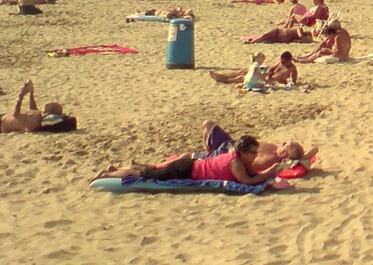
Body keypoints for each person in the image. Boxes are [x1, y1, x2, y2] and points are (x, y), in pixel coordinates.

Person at [91, 135, 281, 185]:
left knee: (149, 171)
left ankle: (116, 168)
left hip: (189, 166)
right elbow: (246, 181)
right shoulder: (236, 162)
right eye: (254, 152)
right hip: (185, 170)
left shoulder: (239, 159)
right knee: (143, 174)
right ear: (244, 152)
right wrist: (269, 172)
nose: (256, 155)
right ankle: (109, 174)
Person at [2, 80, 76, 133]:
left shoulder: (35, 122)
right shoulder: (39, 115)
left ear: (50, 112)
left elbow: (16, 115)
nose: (46, 104)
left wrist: (21, 96)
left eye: (49, 105)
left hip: (3, 123)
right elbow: (33, 110)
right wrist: (31, 93)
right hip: (5, 117)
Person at [210, 51, 298, 85]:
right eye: (281, 61)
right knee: (244, 71)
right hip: (267, 75)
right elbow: (271, 68)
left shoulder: (292, 69)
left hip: (270, 80)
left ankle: (224, 80)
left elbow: (293, 81)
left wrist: (288, 82)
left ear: (290, 60)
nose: (282, 63)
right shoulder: (280, 62)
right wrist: (267, 72)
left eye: (284, 62)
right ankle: (222, 76)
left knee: (244, 77)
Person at [243, 26, 314, 44]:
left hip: (278, 40)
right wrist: (308, 40)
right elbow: (301, 35)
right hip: (278, 32)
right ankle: (252, 42)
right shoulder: (300, 29)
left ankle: (253, 40)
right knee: (263, 36)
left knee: (264, 40)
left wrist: (306, 41)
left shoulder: (298, 39)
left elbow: (297, 41)